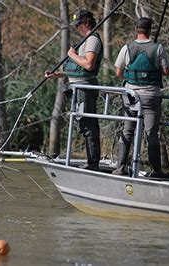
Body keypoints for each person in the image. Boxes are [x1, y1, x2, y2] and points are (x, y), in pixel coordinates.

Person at [45, 9, 103, 171]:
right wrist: (56, 74)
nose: (77, 28)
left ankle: (92, 164)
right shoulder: (86, 40)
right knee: (84, 124)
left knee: (88, 125)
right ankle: (91, 162)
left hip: (85, 89)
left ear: (86, 23)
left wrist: (72, 55)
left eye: (78, 25)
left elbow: (89, 65)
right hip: (79, 88)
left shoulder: (92, 40)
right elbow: (78, 70)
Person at [113, 17, 169, 178]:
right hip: (151, 97)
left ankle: (120, 168)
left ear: (136, 29)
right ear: (150, 29)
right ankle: (156, 171)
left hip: (131, 97)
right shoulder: (158, 48)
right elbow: (167, 71)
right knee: (152, 134)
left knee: (127, 130)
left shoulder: (127, 48)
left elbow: (118, 72)